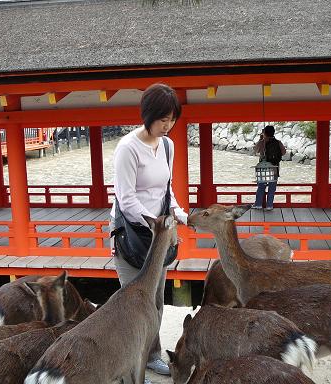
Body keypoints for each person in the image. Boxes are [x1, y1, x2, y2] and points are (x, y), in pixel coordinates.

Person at [110, 83, 188, 380]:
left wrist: (181, 216)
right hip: (133, 233)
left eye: (172, 120)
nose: (168, 126)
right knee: (133, 305)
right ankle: (129, 358)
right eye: (162, 120)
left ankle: (152, 355)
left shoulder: (167, 145)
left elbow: (167, 191)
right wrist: (159, 226)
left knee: (155, 301)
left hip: (159, 234)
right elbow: (126, 200)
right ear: (148, 115)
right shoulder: (128, 148)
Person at [253, 125, 286, 210]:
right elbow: (283, 152)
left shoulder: (262, 142)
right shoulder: (278, 142)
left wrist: (260, 139)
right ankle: (269, 205)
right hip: (274, 167)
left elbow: (255, 150)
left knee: (261, 187)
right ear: (273, 132)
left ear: (264, 133)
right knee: (272, 187)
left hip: (263, 168)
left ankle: (258, 204)